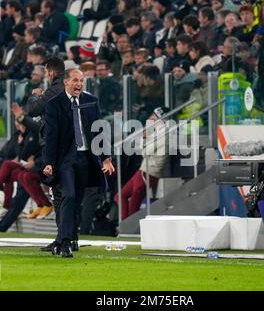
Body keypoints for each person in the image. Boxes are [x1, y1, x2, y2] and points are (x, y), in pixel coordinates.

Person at [43, 68, 115, 258]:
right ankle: (65, 242)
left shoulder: (91, 101)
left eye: (81, 81)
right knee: (69, 195)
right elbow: (51, 136)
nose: (79, 84)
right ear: (65, 82)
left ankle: (68, 238)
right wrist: (49, 162)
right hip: (65, 159)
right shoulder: (54, 104)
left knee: (77, 201)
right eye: (75, 80)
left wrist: (106, 157)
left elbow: (100, 130)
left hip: (86, 158)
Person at [114, 107, 171, 220]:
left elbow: (145, 152)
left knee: (134, 204)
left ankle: (128, 227)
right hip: (143, 170)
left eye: (153, 115)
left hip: (150, 173)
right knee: (119, 196)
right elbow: (143, 150)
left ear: (160, 118)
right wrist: (144, 138)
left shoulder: (164, 133)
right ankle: (126, 225)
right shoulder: (156, 132)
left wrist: (145, 139)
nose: (150, 117)